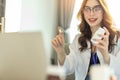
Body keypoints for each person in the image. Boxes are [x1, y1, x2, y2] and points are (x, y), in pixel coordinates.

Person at [52, 0, 120, 80]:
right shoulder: (78, 39)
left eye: (96, 8)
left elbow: (118, 72)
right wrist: (60, 52)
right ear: (83, 12)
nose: (91, 13)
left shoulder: (117, 38)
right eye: (87, 9)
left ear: (103, 11)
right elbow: (67, 69)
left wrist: (106, 55)